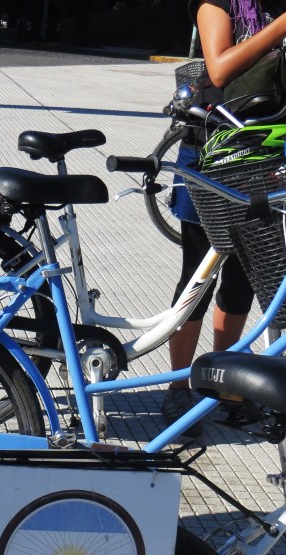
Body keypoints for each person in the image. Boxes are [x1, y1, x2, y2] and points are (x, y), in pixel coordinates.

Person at [163, 0, 286, 436]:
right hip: (211, 151)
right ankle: (178, 386)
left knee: (242, 276)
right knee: (201, 270)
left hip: (264, 152)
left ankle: (227, 385)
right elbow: (218, 70)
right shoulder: (219, 5)